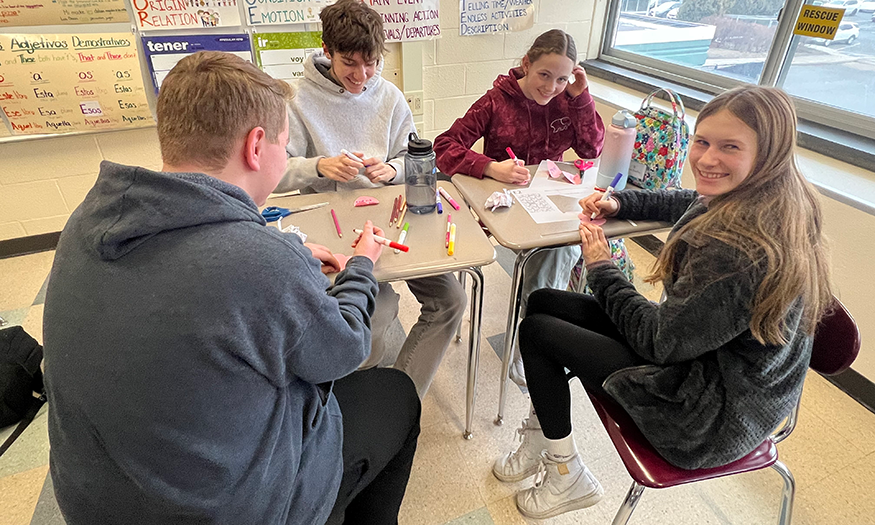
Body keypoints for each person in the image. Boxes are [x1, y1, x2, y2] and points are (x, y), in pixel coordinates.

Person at [42, 51, 421, 524]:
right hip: (232, 512)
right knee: (395, 393)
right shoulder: (260, 260)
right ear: (256, 146)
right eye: (284, 145)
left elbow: (192, 287)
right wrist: (361, 266)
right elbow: (344, 350)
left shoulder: (86, 222)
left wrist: (289, 259)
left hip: (92, 501)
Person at [492, 85, 833, 520]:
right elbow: (690, 200)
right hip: (707, 363)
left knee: (538, 331)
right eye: (702, 141)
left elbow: (660, 343)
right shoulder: (769, 196)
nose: (707, 159)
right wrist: (620, 201)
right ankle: (546, 432)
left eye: (730, 147)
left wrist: (600, 267)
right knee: (542, 302)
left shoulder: (739, 250)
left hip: (708, 418)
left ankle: (566, 473)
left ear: (768, 154)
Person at [278, 0, 466, 398]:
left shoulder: (391, 97)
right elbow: (275, 173)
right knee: (375, 314)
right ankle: (353, 398)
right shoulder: (295, 100)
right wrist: (319, 166)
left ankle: (400, 400)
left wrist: (393, 170)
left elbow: (413, 161)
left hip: (393, 219)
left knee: (450, 299)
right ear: (327, 52)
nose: (362, 76)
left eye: (372, 63)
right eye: (350, 63)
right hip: (336, 229)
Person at [433, 29, 605, 385]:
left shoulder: (567, 99)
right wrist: (490, 166)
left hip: (547, 202)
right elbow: (445, 146)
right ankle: (539, 334)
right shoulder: (497, 100)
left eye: (562, 78)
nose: (551, 87)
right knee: (551, 261)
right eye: (544, 75)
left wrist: (580, 97)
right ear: (526, 64)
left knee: (566, 245)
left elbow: (591, 148)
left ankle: (539, 329)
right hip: (502, 204)